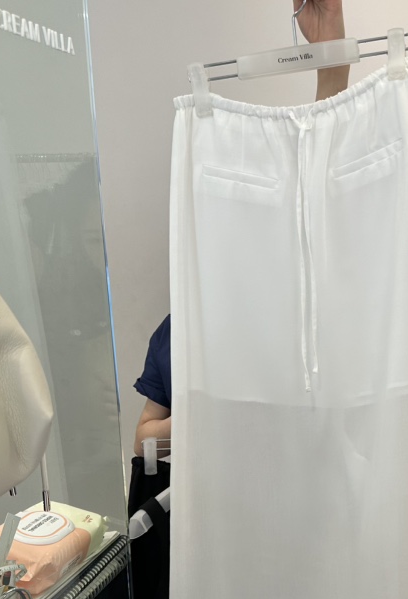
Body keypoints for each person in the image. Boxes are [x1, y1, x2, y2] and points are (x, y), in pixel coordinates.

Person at [133, 0, 350, 456]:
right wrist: (209, 418)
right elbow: (144, 439)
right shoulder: (179, 331)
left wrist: (332, 61)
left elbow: (317, 185)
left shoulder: (296, 314)